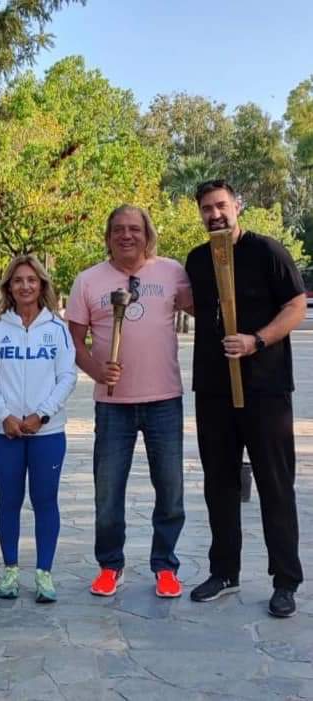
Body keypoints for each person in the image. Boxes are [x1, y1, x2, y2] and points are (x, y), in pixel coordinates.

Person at [185, 180, 306, 618]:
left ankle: (285, 581)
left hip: (266, 389)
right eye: (206, 208)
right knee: (219, 483)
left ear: (237, 206)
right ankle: (224, 571)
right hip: (214, 390)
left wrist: (257, 340)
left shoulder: (268, 251)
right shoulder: (197, 260)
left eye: (221, 205)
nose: (215, 214)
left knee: (275, 484)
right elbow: (197, 305)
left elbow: (295, 305)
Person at [66, 205, 192, 598]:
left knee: (170, 490)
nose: (126, 235)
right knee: (108, 492)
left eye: (134, 229)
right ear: (108, 236)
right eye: (118, 229)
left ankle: (165, 566)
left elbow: (206, 311)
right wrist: (96, 371)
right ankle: (110, 565)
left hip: (164, 399)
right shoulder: (88, 280)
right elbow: (74, 341)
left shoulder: (172, 272)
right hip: (112, 404)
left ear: (147, 234)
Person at [0, 255, 76, 603]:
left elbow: (67, 377)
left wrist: (42, 415)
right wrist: (4, 414)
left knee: (45, 500)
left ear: (42, 285)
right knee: (9, 501)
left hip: (46, 434)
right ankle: (10, 571)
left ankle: (44, 574)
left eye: (31, 280)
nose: (25, 286)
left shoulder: (57, 329)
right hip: (6, 432)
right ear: (9, 287)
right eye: (18, 280)